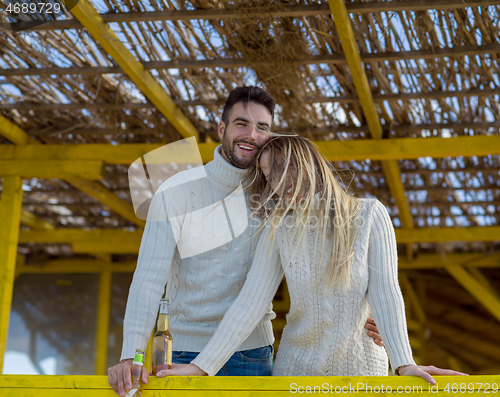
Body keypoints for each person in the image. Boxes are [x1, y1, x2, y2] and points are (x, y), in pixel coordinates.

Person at [108, 87, 383, 396]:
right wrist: (131, 354)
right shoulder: (176, 192)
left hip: (252, 355)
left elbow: (326, 262)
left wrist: (368, 314)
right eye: (241, 123)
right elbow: (148, 279)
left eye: (262, 127)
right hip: (183, 352)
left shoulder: (281, 197)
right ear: (222, 128)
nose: (251, 134)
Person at [157, 135, 467, 383]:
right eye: (268, 175)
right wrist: (202, 367)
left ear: (308, 162)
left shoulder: (369, 215)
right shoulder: (279, 228)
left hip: (361, 374)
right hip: (296, 373)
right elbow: (250, 305)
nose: (277, 181)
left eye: (282, 167)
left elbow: (386, 292)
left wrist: (404, 363)